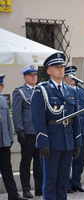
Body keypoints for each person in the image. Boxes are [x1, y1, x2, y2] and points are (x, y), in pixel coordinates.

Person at [30, 52, 82, 200]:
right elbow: (37, 119)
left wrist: (77, 141)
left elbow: (76, 118)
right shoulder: (42, 90)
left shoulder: (71, 90)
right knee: (51, 181)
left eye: (62, 66)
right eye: (57, 67)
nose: (61, 69)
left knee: (63, 182)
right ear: (48, 71)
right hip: (51, 142)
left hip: (68, 142)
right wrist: (42, 142)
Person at [12, 65, 43, 198]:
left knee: (39, 163)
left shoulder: (41, 90)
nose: (33, 77)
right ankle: (26, 189)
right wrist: (19, 130)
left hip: (40, 132)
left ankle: (39, 188)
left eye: (35, 75)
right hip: (28, 133)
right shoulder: (20, 92)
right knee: (26, 162)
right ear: (25, 77)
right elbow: (16, 112)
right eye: (30, 75)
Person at [63, 66, 84, 193]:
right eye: (69, 77)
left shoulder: (82, 91)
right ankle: (67, 184)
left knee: (79, 158)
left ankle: (77, 182)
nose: (72, 79)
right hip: (69, 131)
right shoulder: (64, 91)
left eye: (73, 77)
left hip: (81, 130)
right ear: (64, 78)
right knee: (68, 158)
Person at [0, 74, 28, 200]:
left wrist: (11, 138)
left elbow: (7, 121)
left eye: (2, 85)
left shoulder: (2, 99)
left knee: (7, 169)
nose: (2, 87)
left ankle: (13, 194)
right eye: (1, 85)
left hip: (3, 142)